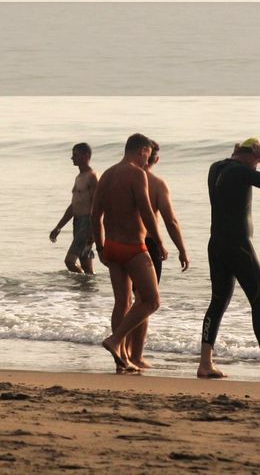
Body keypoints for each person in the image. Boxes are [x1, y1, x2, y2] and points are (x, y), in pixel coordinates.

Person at [198, 138, 260, 380]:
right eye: (256, 159)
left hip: (216, 244)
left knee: (218, 301)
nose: (257, 166)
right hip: (238, 246)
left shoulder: (216, 167)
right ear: (252, 155)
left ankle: (205, 363)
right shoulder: (242, 171)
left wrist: (246, 157)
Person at [91, 133, 165, 373]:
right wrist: (159, 241)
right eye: (148, 153)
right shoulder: (137, 174)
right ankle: (115, 340)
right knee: (152, 300)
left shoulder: (107, 174)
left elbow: (95, 216)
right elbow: (146, 212)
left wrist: (100, 247)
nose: (149, 159)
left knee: (122, 302)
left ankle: (121, 358)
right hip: (134, 248)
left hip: (112, 247)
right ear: (142, 150)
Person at [125, 139, 190, 368]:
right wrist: (181, 249)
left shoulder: (123, 178)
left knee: (125, 300)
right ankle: (136, 355)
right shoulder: (157, 183)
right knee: (145, 301)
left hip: (122, 243)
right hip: (148, 247)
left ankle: (124, 353)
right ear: (156, 159)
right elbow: (170, 221)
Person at [49, 142, 97, 274]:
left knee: (69, 261)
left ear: (86, 156)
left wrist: (93, 229)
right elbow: (74, 206)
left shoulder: (92, 176)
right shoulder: (79, 177)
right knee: (87, 268)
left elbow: (97, 204)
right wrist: (59, 227)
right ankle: (87, 293)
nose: (72, 158)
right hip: (77, 222)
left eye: (75, 155)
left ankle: (84, 288)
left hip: (87, 223)